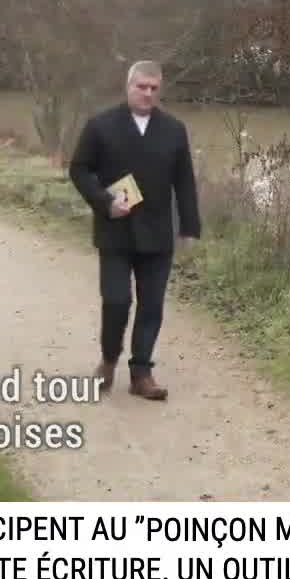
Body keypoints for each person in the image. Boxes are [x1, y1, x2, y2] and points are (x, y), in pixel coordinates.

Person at [66, 60, 201, 401]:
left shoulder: (174, 130)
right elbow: (79, 170)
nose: (148, 93)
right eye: (142, 86)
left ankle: (142, 372)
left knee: (151, 304)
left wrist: (189, 227)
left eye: (154, 88)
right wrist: (104, 202)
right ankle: (108, 360)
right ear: (128, 86)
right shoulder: (101, 126)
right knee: (116, 300)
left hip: (158, 234)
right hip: (115, 230)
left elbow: (184, 180)